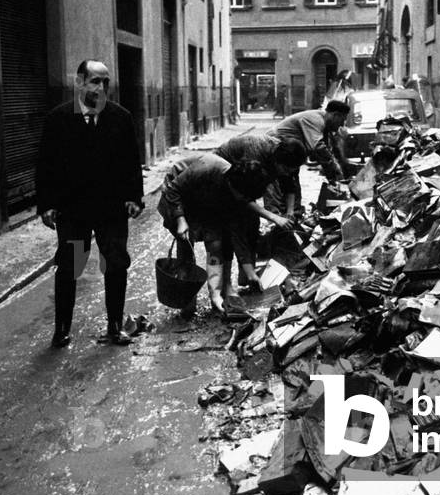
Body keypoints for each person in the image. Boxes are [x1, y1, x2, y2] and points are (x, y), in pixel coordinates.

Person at [36, 60, 144, 348]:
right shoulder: (58, 119)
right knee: (70, 266)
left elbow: (132, 162)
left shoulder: (120, 117)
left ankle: (115, 326)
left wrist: (134, 196)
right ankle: (61, 330)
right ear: (79, 82)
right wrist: (46, 204)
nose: (101, 88)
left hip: (111, 210)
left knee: (116, 264)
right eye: (95, 81)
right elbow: (45, 165)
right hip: (74, 211)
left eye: (106, 82)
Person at [157, 155, 272, 316]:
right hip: (179, 196)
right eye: (244, 196)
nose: (244, 200)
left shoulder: (237, 193)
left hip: (208, 202)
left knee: (215, 245)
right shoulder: (207, 168)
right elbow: (173, 190)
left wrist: (250, 272)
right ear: (235, 185)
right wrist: (181, 219)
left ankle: (216, 295)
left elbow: (236, 235)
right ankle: (187, 301)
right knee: (186, 246)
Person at [266, 100, 349, 216]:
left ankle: (293, 215)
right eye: (342, 120)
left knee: (291, 184)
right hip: (276, 148)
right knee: (276, 185)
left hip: (290, 150)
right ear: (335, 115)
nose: (342, 125)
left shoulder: (323, 124)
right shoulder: (316, 120)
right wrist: (335, 169)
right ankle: (276, 219)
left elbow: (326, 153)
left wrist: (333, 176)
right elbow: (318, 148)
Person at [215, 135, 306, 225]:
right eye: (285, 170)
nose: (286, 174)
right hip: (222, 171)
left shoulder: (289, 158)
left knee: (252, 223)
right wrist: (274, 218)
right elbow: (242, 196)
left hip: (242, 177)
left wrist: (290, 213)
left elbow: (289, 185)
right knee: (239, 220)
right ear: (276, 161)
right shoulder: (255, 156)